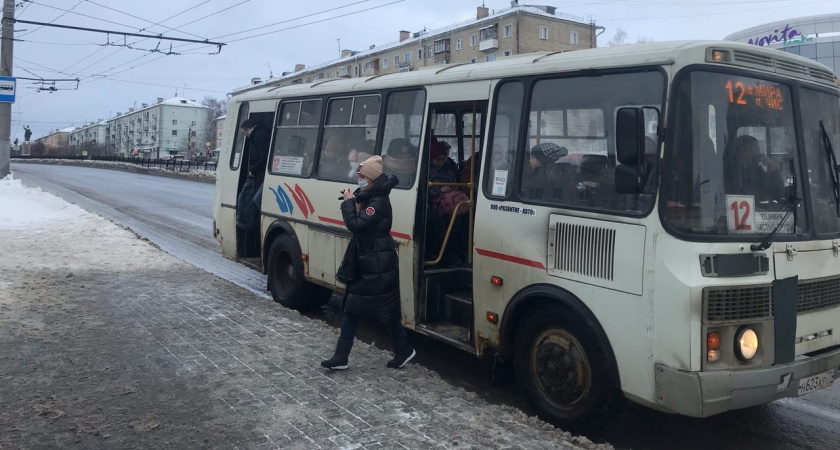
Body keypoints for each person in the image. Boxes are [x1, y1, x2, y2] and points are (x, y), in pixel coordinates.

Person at [321, 155, 416, 370]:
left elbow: (355, 224)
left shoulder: (378, 201)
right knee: (367, 309)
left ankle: (344, 357)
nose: (359, 179)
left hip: (376, 262)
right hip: (370, 260)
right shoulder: (372, 195)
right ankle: (401, 351)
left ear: (372, 178)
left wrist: (347, 203)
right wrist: (354, 200)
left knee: (374, 310)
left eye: (362, 176)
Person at [724, 135, 784, 201]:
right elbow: (745, 193)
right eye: (756, 149)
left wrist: (772, 168)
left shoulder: (756, 169)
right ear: (744, 151)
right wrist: (763, 196)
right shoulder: (732, 170)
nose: (759, 153)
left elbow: (776, 191)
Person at [235, 118, 270, 231]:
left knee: (257, 199)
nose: (245, 136)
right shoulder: (261, 132)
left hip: (268, 174)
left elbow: (264, 158)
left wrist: (253, 170)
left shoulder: (258, 136)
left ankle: (263, 223)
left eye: (244, 133)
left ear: (248, 129)